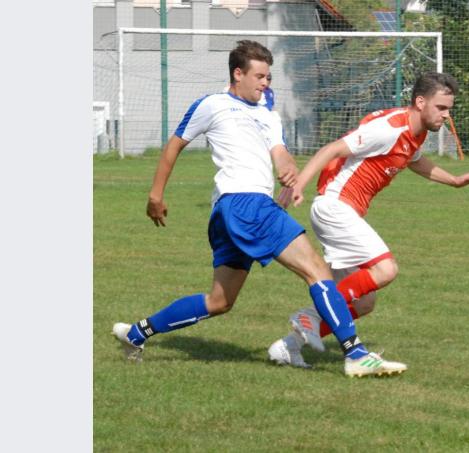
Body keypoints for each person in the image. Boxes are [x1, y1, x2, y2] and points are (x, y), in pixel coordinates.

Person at [111, 40, 406, 378]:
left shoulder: (267, 114)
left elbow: (279, 152)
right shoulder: (212, 104)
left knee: (219, 301)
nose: (265, 83)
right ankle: (356, 354)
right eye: (260, 76)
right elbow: (174, 145)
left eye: (269, 77)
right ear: (238, 74)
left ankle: (136, 333)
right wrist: (156, 195)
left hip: (237, 211)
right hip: (245, 204)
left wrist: (288, 168)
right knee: (318, 271)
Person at [267, 72, 469, 368]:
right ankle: (311, 317)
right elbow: (332, 149)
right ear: (420, 102)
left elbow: (415, 160)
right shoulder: (389, 129)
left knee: (364, 302)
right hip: (335, 207)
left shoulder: (416, 132)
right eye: (441, 108)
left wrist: (454, 180)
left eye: (449, 109)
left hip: (342, 211)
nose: (446, 115)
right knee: (385, 269)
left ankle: (288, 347)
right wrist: (298, 185)